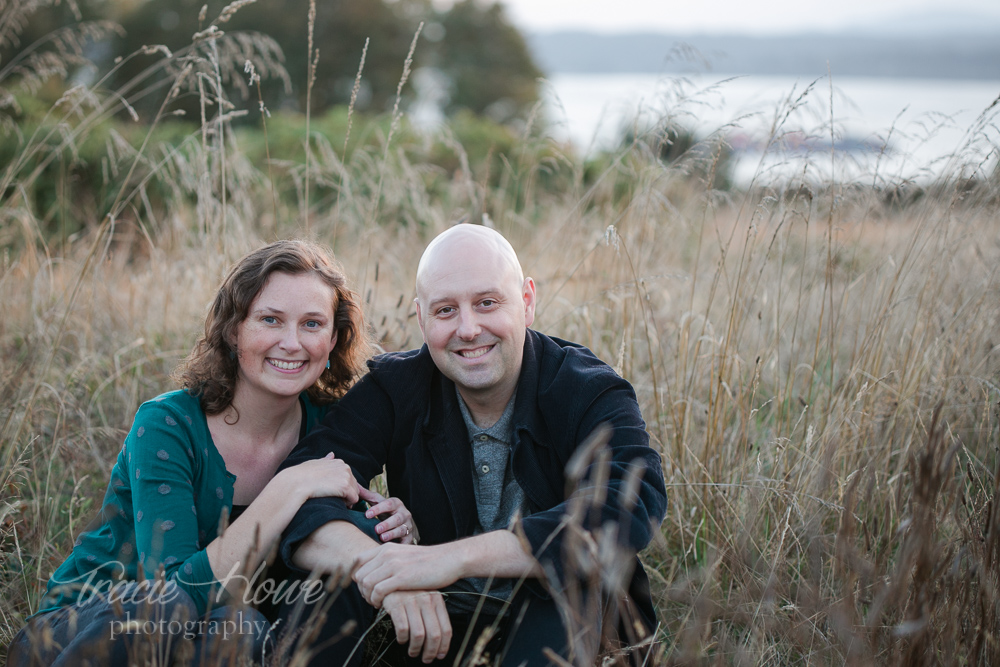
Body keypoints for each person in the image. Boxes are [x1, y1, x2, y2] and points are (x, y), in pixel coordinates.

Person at [7, 240, 416, 666]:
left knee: (246, 627)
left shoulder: (331, 428)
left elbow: (326, 544)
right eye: (270, 319)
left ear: (333, 339)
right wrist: (288, 487)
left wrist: (389, 529)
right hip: (84, 635)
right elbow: (172, 597)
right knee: (234, 628)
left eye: (312, 324)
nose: (292, 342)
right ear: (234, 330)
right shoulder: (168, 425)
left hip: (225, 637)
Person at [278, 225, 668, 665]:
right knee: (320, 583)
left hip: (565, 630)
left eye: (487, 303)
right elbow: (297, 491)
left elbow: (631, 505)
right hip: (438, 631)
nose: (468, 329)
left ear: (526, 302)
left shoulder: (587, 390)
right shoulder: (395, 387)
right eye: (446, 310)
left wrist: (450, 560)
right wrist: (388, 568)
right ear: (421, 318)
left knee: (566, 583)